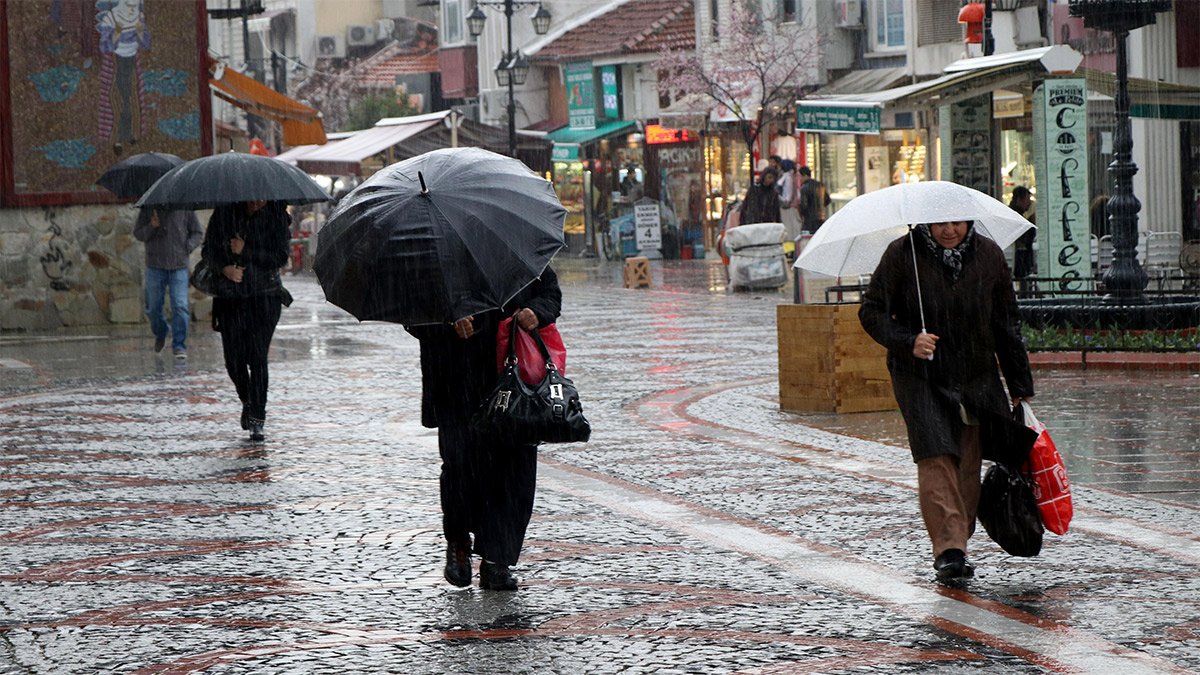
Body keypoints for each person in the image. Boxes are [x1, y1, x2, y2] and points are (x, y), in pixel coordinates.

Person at [858, 221, 1034, 582]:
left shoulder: (988, 255)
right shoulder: (902, 253)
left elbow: (1006, 322)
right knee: (935, 454)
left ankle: (958, 536)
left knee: (968, 460)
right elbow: (871, 311)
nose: (950, 230)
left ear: (969, 222)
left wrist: (1019, 382)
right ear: (927, 222)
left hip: (974, 374)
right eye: (942, 223)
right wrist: (909, 340)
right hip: (920, 376)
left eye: (957, 222)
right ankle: (950, 550)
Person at [406, 268, 562, 591]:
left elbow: (551, 294)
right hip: (456, 383)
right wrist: (448, 321)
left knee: (515, 470)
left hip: (513, 381)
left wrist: (537, 312)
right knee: (461, 468)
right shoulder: (435, 256)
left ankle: (497, 560)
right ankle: (459, 545)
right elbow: (413, 313)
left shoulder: (515, 245)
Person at [201, 200, 291, 442]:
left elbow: (280, 257)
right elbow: (208, 251)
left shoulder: (276, 216)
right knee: (234, 360)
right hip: (231, 298)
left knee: (258, 357)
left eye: (261, 197)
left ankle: (257, 419)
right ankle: (247, 399)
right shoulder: (224, 213)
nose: (256, 201)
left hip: (265, 296)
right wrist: (225, 268)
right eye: (252, 197)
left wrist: (246, 250)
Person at [133, 207, 203, 359]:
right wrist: (152, 226)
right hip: (154, 265)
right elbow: (138, 233)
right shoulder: (149, 208)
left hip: (179, 266)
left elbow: (197, 233)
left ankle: (179, 345)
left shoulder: (184, 207)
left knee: (180, 306)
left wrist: (187, 246)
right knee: (153, 307)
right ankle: (161, 332)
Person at [1009, 186, 1036, 291]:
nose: (1028, 202)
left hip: (1025, 252)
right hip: (1019, 253)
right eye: (1027, 199)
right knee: (1022, 276)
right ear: (1019, 199)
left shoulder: (1025, 212)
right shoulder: (1014, 213)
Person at [796, 166, 831, 233]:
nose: (799, 179)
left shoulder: (804, 188)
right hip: (821, 218)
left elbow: (804, 205)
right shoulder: (820, 185)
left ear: (804, 176)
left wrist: (801, 214)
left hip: (809, 220)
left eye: (800, 176)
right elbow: (827, 200)